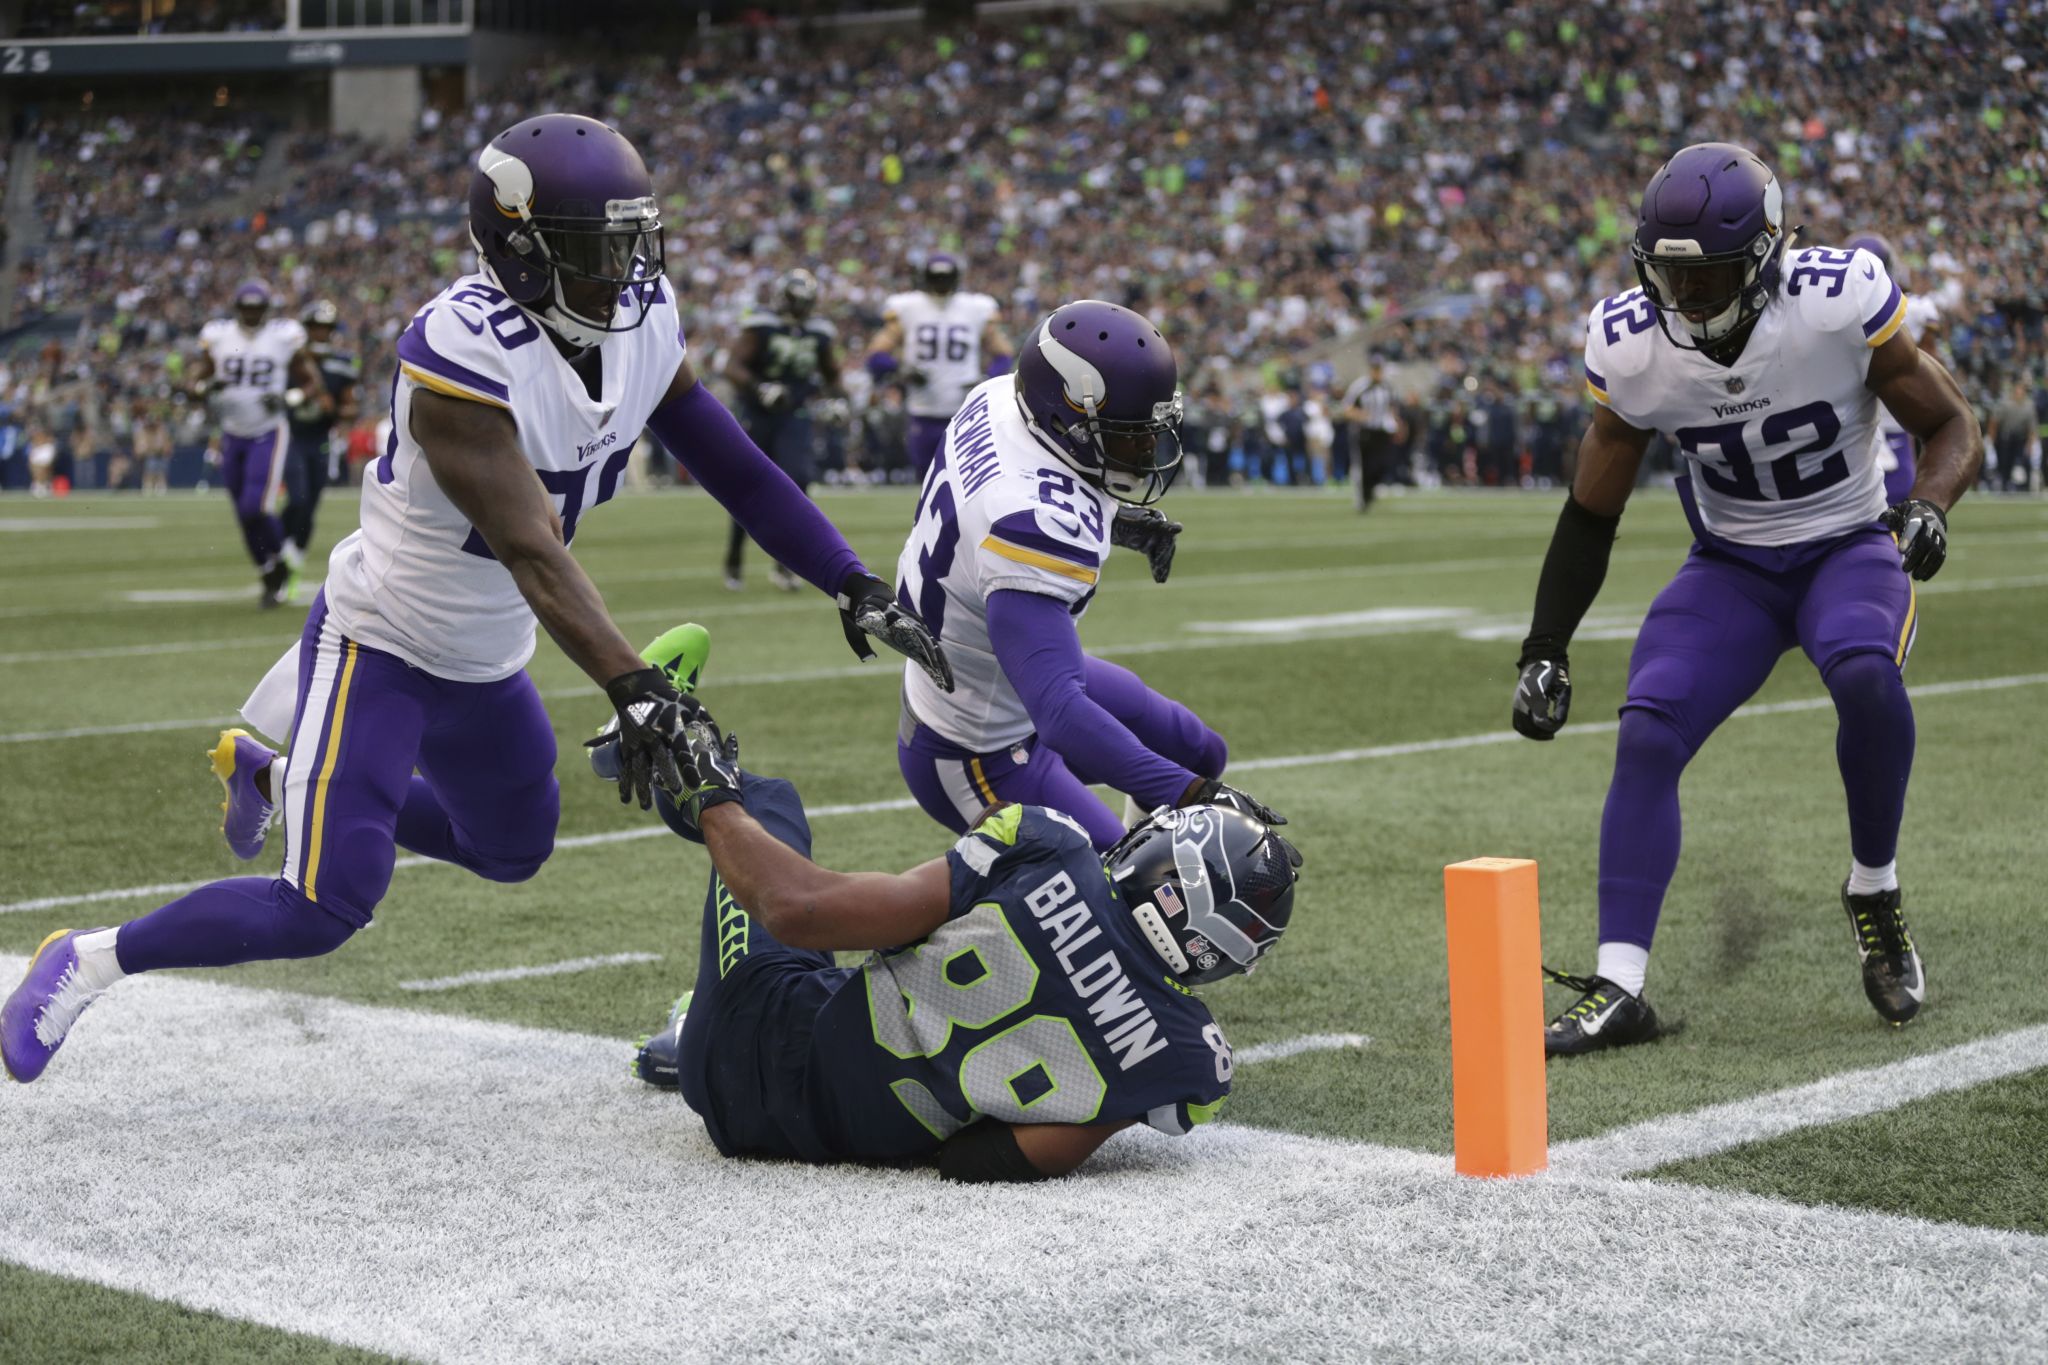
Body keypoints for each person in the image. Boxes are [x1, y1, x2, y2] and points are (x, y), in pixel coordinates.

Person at [0, 114, 951, 1087]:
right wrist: (637, 688)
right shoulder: (460, 354)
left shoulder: (640, 316)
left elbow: (730, 461)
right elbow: (530, 548)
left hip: (487, 653)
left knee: (511, 850)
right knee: (325, 903)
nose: (623, 272)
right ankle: (91, 956)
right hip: (384, 638)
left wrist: (848, 575)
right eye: (596, 250)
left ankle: (280, 775)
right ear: (522, 255)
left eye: (632, 243)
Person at [1511, 142, 1982, 1054]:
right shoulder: (1632, 345)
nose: (1687, 302)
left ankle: (1874, 888)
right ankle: (1621, 984)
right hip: (1730, 565)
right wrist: (1545, 645)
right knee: (1647, 726)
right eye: (1671, 280)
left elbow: (1952, 422)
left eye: (1711, 277)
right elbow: (1589, 511)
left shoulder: (1836, 301)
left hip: (1846, 541)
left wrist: (1929, 506)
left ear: (1765, 255)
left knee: (1862, 671)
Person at [625, 703, 1301, 1182]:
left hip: (745, 1040)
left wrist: (715, 796)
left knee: (765, 802)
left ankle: (654, 736)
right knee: (818, 968)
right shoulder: (1190, 1064)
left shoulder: (1047, 843)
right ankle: (696, 1024)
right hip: (815, 1129)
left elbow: (802, 910)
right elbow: (981, 1160)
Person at [893, 297, 1281, 851]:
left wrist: (1116, 521)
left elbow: (1012, 494)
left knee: (1198, 752)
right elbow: (1059, 715)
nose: (1147, 448)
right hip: (977, 748)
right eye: (1130, 433)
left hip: (1006, 675)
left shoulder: (1001, 397)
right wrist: (1192, 797)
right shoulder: (1034, 529)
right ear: (1067, 415)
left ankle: (1130, 864)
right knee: (1127, 891)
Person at [186, 279, 327, 606]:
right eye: (246, 308)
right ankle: (269, 572)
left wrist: (288, 398)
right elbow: (197, 377)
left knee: (255, 506)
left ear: (266, 310)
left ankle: (282, 560)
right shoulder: (219, 336)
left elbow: (311, 383)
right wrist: (202, 388)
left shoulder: (282, 337)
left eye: (257, 308)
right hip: (231, 432)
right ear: (237, 309)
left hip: (268, 431)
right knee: (242, 513)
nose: (251, 314)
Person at [720, 268, 844, 591]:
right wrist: (760, 388)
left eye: (804, 302)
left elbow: (833, 374)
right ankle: (734, 561)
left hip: (795, 414)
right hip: (758, 413)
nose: (799, 308)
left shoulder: (819, 332)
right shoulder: (761, 326)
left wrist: (838, 401)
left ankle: (786, 566)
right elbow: (733, 367)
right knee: (746, 487)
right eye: (794, 300)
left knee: (796, 484)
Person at [864, 254, 1012, 481]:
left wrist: (987, 379)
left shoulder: (975, 308)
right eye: (936, 277)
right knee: (927, 479)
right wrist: (902, 370)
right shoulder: (909, 307)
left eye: (945, 277)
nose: (940, 283)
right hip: (923, 408)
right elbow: (876, 356)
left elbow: (1003, 354)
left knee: (967, 480)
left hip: (965, 409)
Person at [1844, 233, 1945, 504]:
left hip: (1850, 421)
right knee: (1900, 505)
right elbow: (1933, 363)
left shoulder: (1828, 315)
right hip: (1892, 418)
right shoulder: (1915, 310)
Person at [278, 298, 361, 596]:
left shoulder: (341, 364)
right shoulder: (291, 361)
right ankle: (279, 544)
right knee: (298, 498)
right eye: (315, 328)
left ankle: (293, 563)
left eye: (325, 329)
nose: (320, 334)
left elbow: (351, 408)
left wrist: (335, 409)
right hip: (291, 435)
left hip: (320, 440)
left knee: (310, 505)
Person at [1339, 358, 1398, 511]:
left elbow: (1392, 407)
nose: (1377, 372)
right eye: (1375, 369)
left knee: (1382, 464)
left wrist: (1397, 424)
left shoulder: (1387, 386)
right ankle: (1362, 499)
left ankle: (1371, 490)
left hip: (1382, 430)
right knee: (1363, 466)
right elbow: (1346, 408)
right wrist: (1361, 415)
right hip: (1364, 430)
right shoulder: (1360, 386)